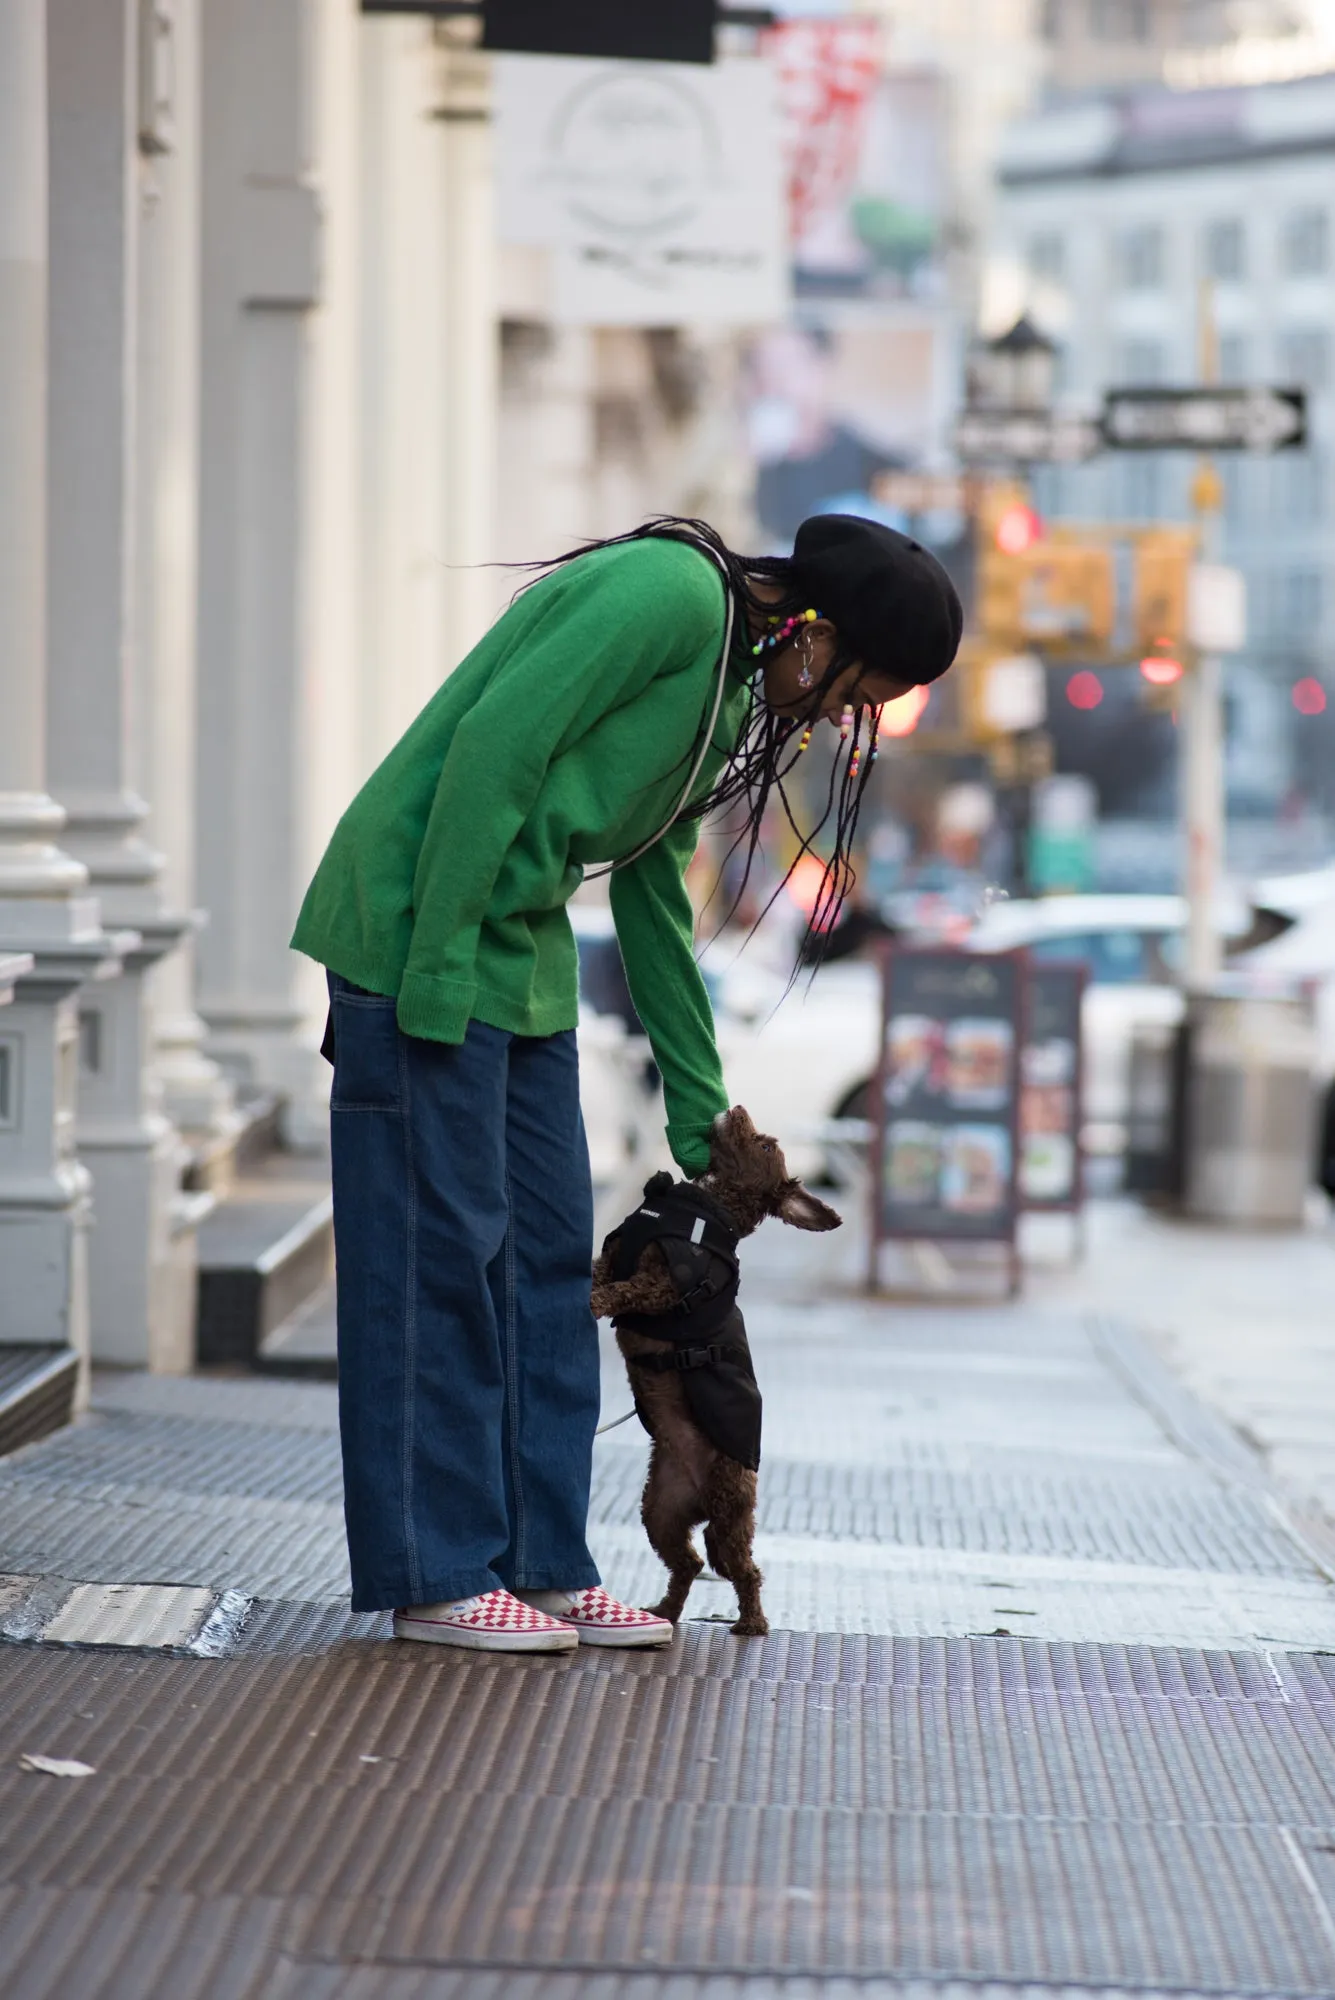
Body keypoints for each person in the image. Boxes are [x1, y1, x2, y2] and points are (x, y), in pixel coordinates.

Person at [291, 513, 962, 1652]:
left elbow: (652, 888)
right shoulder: (670, 595)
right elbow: (496, 749)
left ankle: (543, 1560)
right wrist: (438, 967)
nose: (850, 715)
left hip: (525, 954)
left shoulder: (733, 694)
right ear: (815, 629)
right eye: (860, 687)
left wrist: (702, 1107)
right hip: (420, 931)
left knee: (554, 1266)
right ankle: (439, 1570)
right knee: (439, 1263)